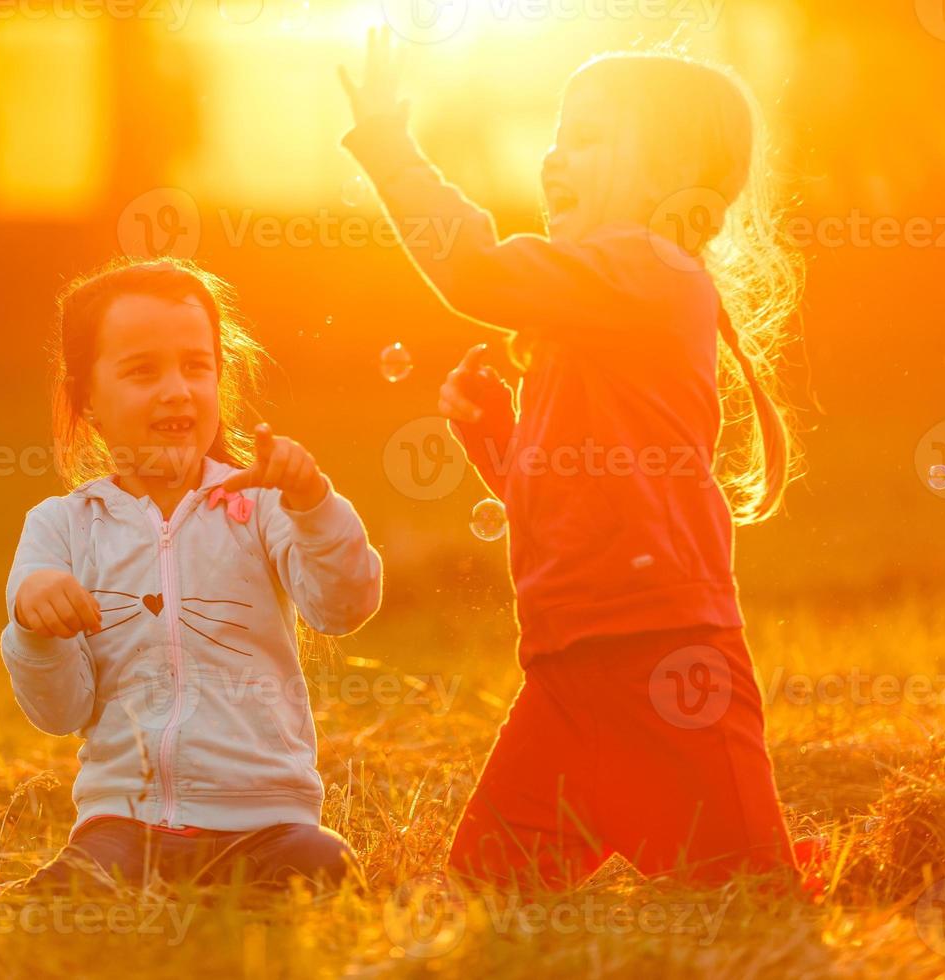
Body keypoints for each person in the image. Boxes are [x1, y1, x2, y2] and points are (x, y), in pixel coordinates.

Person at [339, 30, 804, 889]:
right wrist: (498, 439)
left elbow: (475, 269)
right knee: (490, 879)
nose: (557, 152)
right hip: (566, 669)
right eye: (558, 131)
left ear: (669, 177)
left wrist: (390, 148)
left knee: (749, 890)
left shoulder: (651, 270)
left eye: (588, 135)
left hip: (665, 656)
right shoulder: (594, 308)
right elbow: (563, 491)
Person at [0, 257, 382, 893]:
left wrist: (315, 505)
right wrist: (35, 627)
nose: (177, 389)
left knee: (328, 868)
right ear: (86, 397)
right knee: (75, 890)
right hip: (127, 821)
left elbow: (343, 608)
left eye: (196, 366)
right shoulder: (61, 528)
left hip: (267, 824)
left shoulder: (259, 507)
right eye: (143, 370)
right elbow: (60, 711)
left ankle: (239, 887)